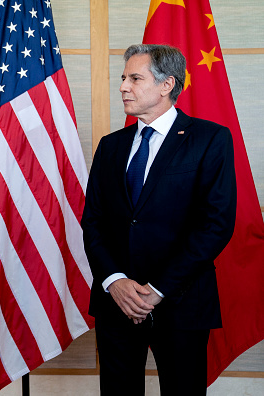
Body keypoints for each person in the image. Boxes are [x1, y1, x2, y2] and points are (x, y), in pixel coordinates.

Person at [81, 44, 236, 395]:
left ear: (167, 84)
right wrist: (115, 281)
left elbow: (216, 224)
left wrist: (156, 290)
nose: (123, 86)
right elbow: (93, 222)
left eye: (135, 78)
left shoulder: (209, 139)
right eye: (123, 78)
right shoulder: (110, 146)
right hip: (116, 302)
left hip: (181, 302)